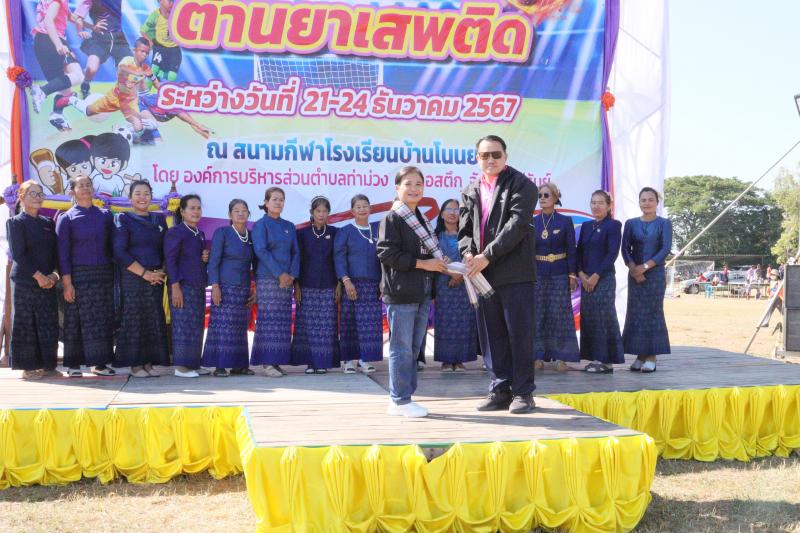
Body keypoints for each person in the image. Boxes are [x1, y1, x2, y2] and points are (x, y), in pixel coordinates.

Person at [459, 135, 538, 414]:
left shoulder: (522, 185)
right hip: (482, 274)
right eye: (485, 155)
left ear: (505, 156)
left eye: (496, 154)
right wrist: (468, 253)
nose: (490, 160)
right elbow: (464, 230)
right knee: (491, 336)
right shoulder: (469, 190)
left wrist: (487, 255)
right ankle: (500, 389)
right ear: (477, 158)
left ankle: (524, 393)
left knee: (519, 334)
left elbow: (517, 226)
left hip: (515, 273)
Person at [377, 166, 448, 417]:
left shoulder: (421, 219)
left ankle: (405, 398)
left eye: (419, 184)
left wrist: (442, 264)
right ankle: (399, 400)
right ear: (397, 188)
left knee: (414, 349)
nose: (414, 189)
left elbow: (429, 254)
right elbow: (386, 253)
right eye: (408, 184)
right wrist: (424, 264)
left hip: (423, 292)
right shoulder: (392, 218)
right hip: (402, 293)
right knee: (401, 348)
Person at [56, 175, 116, 377]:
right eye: (80, 185)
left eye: (88, 185)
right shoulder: (67, 218)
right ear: (72, 191)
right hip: (79, 276)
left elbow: (114, 246)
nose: (85, 188)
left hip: (104, 274)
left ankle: (99, 364)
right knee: (76, 320)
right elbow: (62, 254)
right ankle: (74, 365)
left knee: (102, 319)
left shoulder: (105, 215)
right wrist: (67, 283)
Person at [113, 180, 169, 377]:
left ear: (151, 196)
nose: (142, 197)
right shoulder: (123, 218)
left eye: (146, 193)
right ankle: (136, 365)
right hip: (134, 276)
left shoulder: (159, 219)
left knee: (153, 318)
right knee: (135, 318)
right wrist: (145, 274)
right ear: (130, 198)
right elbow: (119, 252)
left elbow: (167, 249)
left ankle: (148, 363)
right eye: (138, 193)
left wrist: (160, 271)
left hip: (156, 277)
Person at [7, 181, 60, 379]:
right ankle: (27, 367)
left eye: (40, 194)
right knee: (26, 323)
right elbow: (19, 254)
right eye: (32, 194)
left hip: (48, 282)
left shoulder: (48, 223)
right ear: (21, 196)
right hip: (26, 281)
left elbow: (55, 253)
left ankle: (48, 366)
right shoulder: (15, 222)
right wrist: (38, 276)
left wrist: (54, 275)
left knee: (48, 323)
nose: (37, 198)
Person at [202, 199, 256, 377]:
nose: (240, 213)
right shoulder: (222, 232)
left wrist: (254, 288)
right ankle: (220, 365)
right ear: (230, 215)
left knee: (239, 327)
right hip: (224, 287)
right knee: (222, 326)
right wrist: (215, 286)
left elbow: (254, 264)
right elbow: (214, 261)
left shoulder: (251, 236)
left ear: (248, 214)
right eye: (236, 210)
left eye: (244, 210)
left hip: (243, 288)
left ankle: (239, 365)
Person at [622, 187, 672, 373]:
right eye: (643, 200)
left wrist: (645, 267)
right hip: (634, 274)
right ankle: (640, 355)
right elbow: (625, 249)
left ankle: (651, 356)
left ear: (657, 202)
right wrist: (634, 269)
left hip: (655, 275)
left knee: (652, 313)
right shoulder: (631, 223)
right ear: (639, 202)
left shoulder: (664, 223)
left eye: (651, 199)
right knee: (636, 314)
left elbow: (665, 249)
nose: (647, 203)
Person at [251, 187, 300, 377]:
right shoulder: (260, 225)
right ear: (266, 202)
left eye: (281, 200)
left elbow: (296, 252)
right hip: (268, 278)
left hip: (287, 280)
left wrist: (292, 275)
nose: (278, 203)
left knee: (282, 320)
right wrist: (280, 274)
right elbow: (261, 251)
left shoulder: (289, 225)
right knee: (269, 319)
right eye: (274, 199)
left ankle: (277, 360)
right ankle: (267, 362)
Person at [333, 194, 383, 374]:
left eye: (365, 206)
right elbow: (339, 257)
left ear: (370, 209)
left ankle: (364, 359)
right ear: (352, 211)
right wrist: (346, 281)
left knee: (370, 324)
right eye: (358, 207)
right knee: (350, 322)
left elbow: (384, 258)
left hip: (373, 286)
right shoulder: (345, 231)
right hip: (351, 285)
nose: (362, 209)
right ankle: (347, 361)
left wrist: (383, 282)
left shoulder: (378, 230)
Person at [532, 182, 580, 370]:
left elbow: (571, 249)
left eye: (546, 195)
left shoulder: (565, 221)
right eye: (540, 196)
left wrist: (572, 275)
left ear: (555, 197)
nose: (542, 198)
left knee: (560, 315)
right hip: (538, 273)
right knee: (538, 314)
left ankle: (561, 357)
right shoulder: (532, 222)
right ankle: (537, 356)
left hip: (560, 273)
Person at [576, 190, 624, 373]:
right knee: (590, 318)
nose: (596, 206)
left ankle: (606, 361)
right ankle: (594, 358)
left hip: (603, 279)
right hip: (586, 279)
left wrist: (596, 276)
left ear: (608, 206)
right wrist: (581, 274)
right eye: (593, 202)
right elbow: (579, 251)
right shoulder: (586, 226)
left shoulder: (613, 225)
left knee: (603, 317)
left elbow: (612, 253)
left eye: (600, 203)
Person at [291, 197, 339, 374]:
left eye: (325, 211)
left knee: (326, 325)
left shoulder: (335, 233)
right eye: (318, 211)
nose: (321, 214)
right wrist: (296, 285)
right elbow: (297, 260)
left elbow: (338, 260)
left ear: (328, 213)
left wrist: (339, 284)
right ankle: (310, 363)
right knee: (308, 325)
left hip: (329, 285)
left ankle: (323, 362)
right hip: (306, 285)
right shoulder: (302, 234)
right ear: (312, 212)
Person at [164, 194, 210, 378]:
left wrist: (205, 258)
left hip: (197, 285)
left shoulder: (200, 234)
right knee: (182, 325)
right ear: (182, 211)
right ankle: (181, 367)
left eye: (198, 208)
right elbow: (170, 261)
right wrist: (175, 287)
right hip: (182, 286)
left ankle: (193, 364)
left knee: (196, 325)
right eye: (192, 208)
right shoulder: (175, 232)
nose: (196, 211)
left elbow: (195, 259)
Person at [433, 198, 477, 372]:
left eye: (456, 210)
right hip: (444, 284)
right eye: (448, 209)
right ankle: (446, 360)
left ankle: (460, 360)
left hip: (466, 284)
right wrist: (451, 274)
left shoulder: (467, 236)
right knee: (445, 321)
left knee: (463, 321)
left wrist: (460, 275)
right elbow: (435, 259)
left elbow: (472, 257)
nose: (452, 213)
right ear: (442, 214)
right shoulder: (435, 236)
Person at [28, 0, 84, 129]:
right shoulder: (58, 1)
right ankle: (41, 91)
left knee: (66, 92)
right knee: (78, 76)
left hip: (48, 40)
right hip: (50, 40)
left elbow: (71, 17)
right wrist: (58, 45)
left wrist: (92, 26)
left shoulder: (62, 2)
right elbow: (49, 21)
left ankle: (56, 114)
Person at [73, 0, 131, 99]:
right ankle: (85, 85)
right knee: (91, 69)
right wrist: (82, 30)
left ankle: (121, 94)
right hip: (100, 38)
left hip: (118, 38)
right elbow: (77, 18)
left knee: (128, 67)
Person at [140, 0, 182, 81]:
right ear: (160, 1)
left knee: (172, 77)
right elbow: (143, 30)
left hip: (174, 50)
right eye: (169, 1)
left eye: (173, 1)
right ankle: (146, 87)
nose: (172, 3)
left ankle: (159, 73)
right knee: (154, 70)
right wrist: (150, 41)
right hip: (160, 48)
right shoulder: (155, 15)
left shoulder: (178, 14)